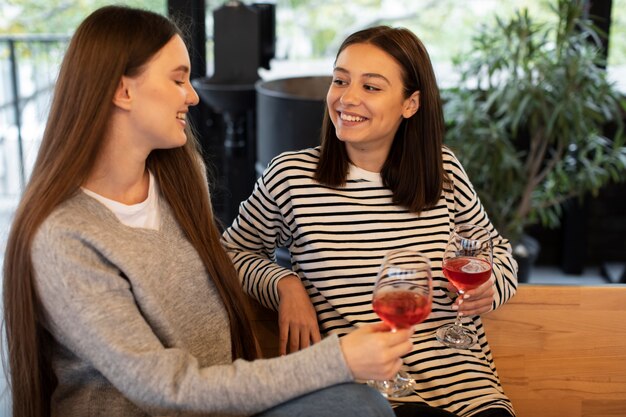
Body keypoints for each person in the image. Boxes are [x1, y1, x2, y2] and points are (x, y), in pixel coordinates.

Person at [1, 7, 416, 417]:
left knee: (362, 405)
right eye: (178, 78)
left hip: (222, 404)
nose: (194, 95)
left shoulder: (179, 179)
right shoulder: (64, 237)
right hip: (172, 405)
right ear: (123, 91)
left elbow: (227, 266)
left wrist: (285, 282)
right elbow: (167, 390)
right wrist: (338, 358)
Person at [222, 26, 518, 417]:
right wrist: (284, 282)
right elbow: (231, 252)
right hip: (365, 397)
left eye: (371, 87)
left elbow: (496, 251)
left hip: (467, 393)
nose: (347, 98)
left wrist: (491, 285)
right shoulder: (291, 177)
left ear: (410, 103)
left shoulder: (444, 170)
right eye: (340, 80)